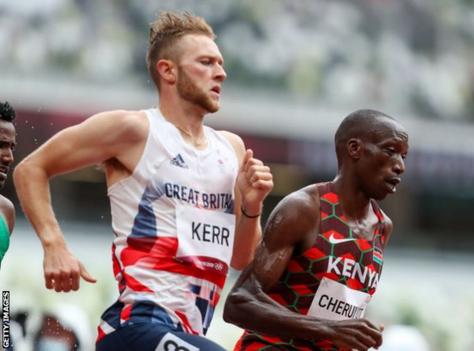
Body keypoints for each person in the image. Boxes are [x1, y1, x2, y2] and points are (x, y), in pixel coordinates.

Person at [14, 11, 273, 351]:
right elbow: (30, 169)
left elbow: (241, 259)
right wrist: (54, 245)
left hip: (189, 335)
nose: (221, 72)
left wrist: (253, 206)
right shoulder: (136, 130)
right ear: (168, 70)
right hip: (135, 326)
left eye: (221, 63)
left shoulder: (231, 148)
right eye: (206, 62)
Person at [224, 109, 409, 351]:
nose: (400, 166)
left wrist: (357, 333)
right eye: (391, 151)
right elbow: (239, 303)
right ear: (354, 149)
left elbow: (338, 309)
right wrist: (328, 328)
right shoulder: (304, 210)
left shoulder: (382, 226)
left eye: (404, 156)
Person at [0, 101, 16, 267]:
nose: (9, 157)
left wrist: (6, 295)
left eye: (12, 147)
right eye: (1, 145)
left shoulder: (6, 211)